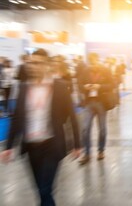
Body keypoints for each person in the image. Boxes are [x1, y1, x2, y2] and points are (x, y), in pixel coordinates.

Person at [0, 49, 81, 206]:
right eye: (30, 62)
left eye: (37, 63)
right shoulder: (23, 88)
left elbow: (72, 116)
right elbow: (17, 118)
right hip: (31, 147)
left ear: (47, 65)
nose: (32, 66)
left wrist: (77, 144)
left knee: (45, 190)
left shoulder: (59, 87)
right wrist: (8, 147)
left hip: (52, 145)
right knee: (41, 191)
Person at [78, 53, 113, 165]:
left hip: (101, 103)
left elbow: (112, 84)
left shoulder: (105, 70)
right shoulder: (85, 71)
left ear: (98, 60)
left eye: (94, 61)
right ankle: (87, 153)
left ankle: (101, 150)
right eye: (91, 62)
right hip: (89, 102)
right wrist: (84, 87)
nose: (93, 64)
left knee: (102, 129)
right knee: (85, 128)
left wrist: (100, 87)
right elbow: (79, 84)